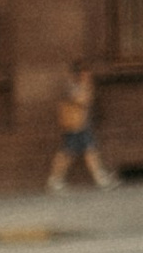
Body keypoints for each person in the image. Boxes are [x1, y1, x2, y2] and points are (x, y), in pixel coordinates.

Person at [48, 60, 112, 191]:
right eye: (85, 73)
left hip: (81, 124)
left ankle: (100, 178)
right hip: (75, 125)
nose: (88, 75)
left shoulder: (78, 85)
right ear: (78, 74)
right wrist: (86, 85)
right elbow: (83, 101)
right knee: (68, 153)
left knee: (87, 151)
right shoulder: (72, 86)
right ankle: (55, 180)